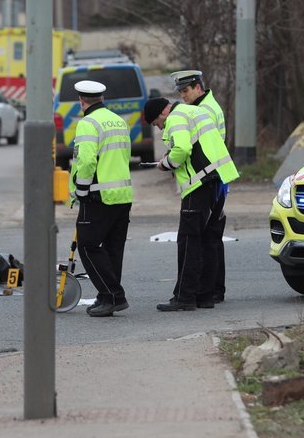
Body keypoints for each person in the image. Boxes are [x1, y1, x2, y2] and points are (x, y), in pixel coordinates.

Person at [143, 96, 239, 312]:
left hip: (199, 185)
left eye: (158, 124)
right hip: (218, 181)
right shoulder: (194, 111)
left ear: (162, 113)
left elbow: (182, 149)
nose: (160, 129)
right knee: (208, 241)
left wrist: (165, 163)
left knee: (188, 241)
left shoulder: (176, 118)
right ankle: (205, 296)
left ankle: (184, 297)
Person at [69, 80, 133, 317]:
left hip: (98, 195)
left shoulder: (88, 123)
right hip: (122, 194)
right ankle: (106, 297)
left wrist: (82, 191)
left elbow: (86, 161)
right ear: (102, 99)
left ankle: (114, 296)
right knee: (112, 249)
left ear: (81, 101)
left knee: (88, 246)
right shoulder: (118, 120)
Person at [170, 70, 229, 303]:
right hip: (217, 177)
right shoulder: (209, 105)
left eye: (185, 91)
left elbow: (198, 147)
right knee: (212, 238)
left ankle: (208, 290)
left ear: (197, 87)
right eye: (180, 92)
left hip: (208, 179)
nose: (183, 96)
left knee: (205, 239)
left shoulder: (203, 110)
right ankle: (215, 289)